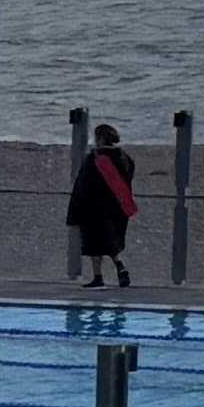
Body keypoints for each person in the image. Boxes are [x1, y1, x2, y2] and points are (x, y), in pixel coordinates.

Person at [68, 123, 139, 288]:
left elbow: (84, 185)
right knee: (112, 240)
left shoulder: (95, 158)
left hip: (95, 207)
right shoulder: (123, 157)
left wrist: (75, 210)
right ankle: (120, 265)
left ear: (99, 138)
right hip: (119, 207)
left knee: (95, 244)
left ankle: (98, 276)